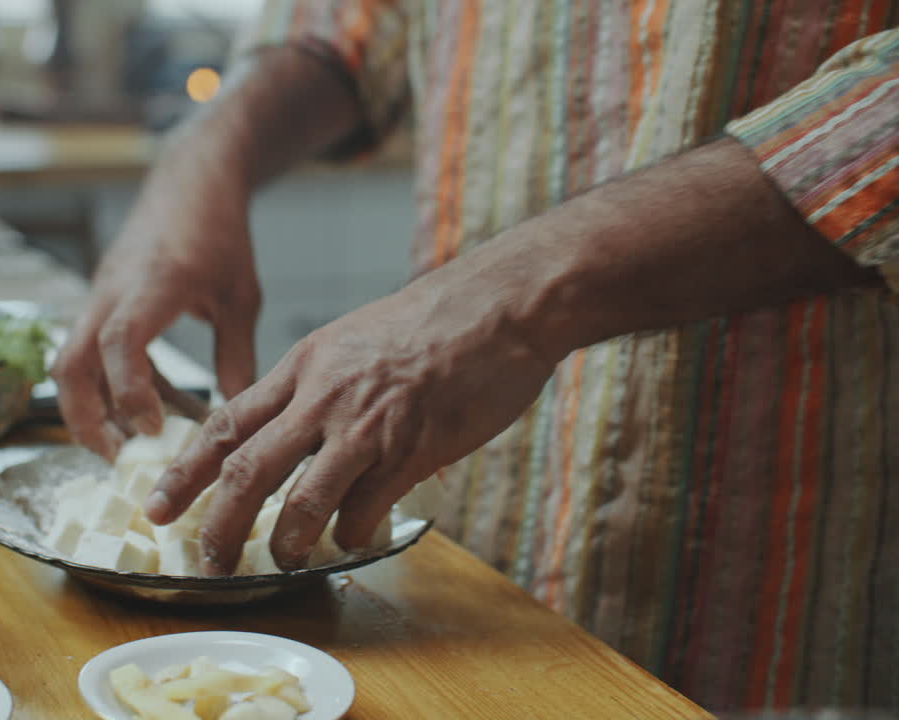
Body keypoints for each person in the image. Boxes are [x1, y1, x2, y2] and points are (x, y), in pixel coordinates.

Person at [54, 1, 899, 712]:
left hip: (784, 572)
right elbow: (357, 24)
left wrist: (516, 294)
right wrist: (205, 149)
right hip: (474, 579)